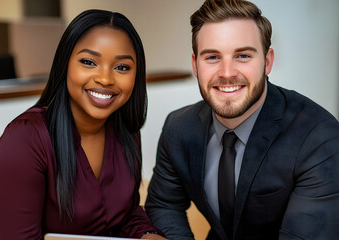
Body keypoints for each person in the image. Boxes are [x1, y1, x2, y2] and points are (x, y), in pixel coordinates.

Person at [145, 0, 339, 239]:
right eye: (213, 57)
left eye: (243, 55)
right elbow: (164, 205)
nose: (227, 73)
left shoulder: (319, 136)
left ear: (267, 62)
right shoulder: (179, 126)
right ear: (195, 65)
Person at [0, 9, 166, 240]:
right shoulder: (24, 140)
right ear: (65, 64)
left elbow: (125, 214)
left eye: (122, 67)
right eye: (89, 62)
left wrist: (148, 234)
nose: (105, 79)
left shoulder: (126, 131)